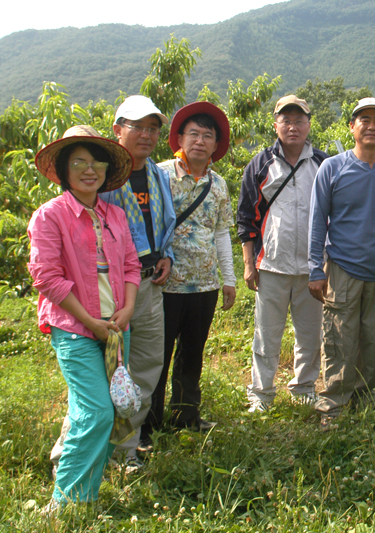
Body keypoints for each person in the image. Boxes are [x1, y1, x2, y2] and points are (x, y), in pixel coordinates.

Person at [49, 96, 175, 473]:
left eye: (153, 128)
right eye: (138, 126)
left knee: (145, 366)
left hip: (145, 284)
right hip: (100, 291)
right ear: (117, 129)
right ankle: (69, 453)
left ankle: (125, 449)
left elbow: (159, 224)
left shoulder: (156, 174)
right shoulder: (98, 177)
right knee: (94, 376)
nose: (147, 135)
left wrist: (163, 254)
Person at [28, 125, 139, 510]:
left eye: (96, 162)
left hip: (114, 327)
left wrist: (127, 308)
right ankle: (64, 503)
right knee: (95, 411)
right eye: (78, 162)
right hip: (75, 329)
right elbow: (47, 278)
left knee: (99, 412)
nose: (88, 170)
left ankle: (84, 498)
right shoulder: (49, 216)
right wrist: (90, 321)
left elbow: (130, 266)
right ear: (63, 169)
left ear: (107, 170)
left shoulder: (115, 215)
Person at [143, 101, 236, 437]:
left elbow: (221, 232)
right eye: (193, 134)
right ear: (180, 139)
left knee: (193, 353)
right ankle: (149, 423)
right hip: (164, 284)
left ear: (215, 145)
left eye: (207, 136)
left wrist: (228, 278)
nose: (199, 141)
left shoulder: (219, 185)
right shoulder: (160, 175)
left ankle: (186, 416)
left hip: (204, 284)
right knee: (158, 354)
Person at [308, 97, 375, 428]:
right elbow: (317, 221)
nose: (372, 125)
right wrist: (315, 268)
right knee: (339, 338)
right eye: (364, 119)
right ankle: (332, 404)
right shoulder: (332, 168)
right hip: (343, 268)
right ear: (352, 127)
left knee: (371, 337)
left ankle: (364, 397)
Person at [238, 95, 328, 412]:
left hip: (311, 269)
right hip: (271, 267)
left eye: (299, 120)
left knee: (310, 335)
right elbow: (246, 219)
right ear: (275, 124)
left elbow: (334, 215)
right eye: (286, 120)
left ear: (308, 124)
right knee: (267, 336)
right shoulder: (261, 164)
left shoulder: (323, 163)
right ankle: (261, 394)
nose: (292, 126)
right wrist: (249, 265)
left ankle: (304, 388)